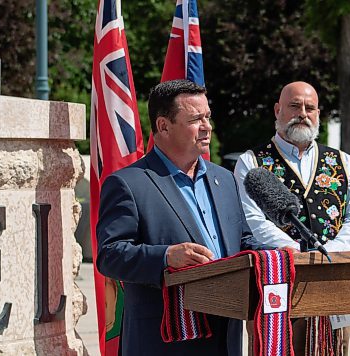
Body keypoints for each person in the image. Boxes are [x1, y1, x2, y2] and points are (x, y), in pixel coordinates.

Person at [96, 79, 253, 356]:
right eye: (195, 119)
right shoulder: (128, 183)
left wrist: (280, 256)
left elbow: (243, 241)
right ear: (163, 126)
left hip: (224, 338)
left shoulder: (225, 180)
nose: (207, 126)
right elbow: (109, 256)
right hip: (161, 342)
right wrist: (166, 257)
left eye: (208, 117)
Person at [234, 81, 350, 356]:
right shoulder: (251, 163)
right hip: (276, 285)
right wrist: (299, 254)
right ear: (278, 110)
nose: (303, 113)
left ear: (318, 113)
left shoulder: (341, 160)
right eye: (294, 106)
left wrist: (328, 254)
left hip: (332, 283)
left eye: (310, 107)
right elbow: (253, 221)